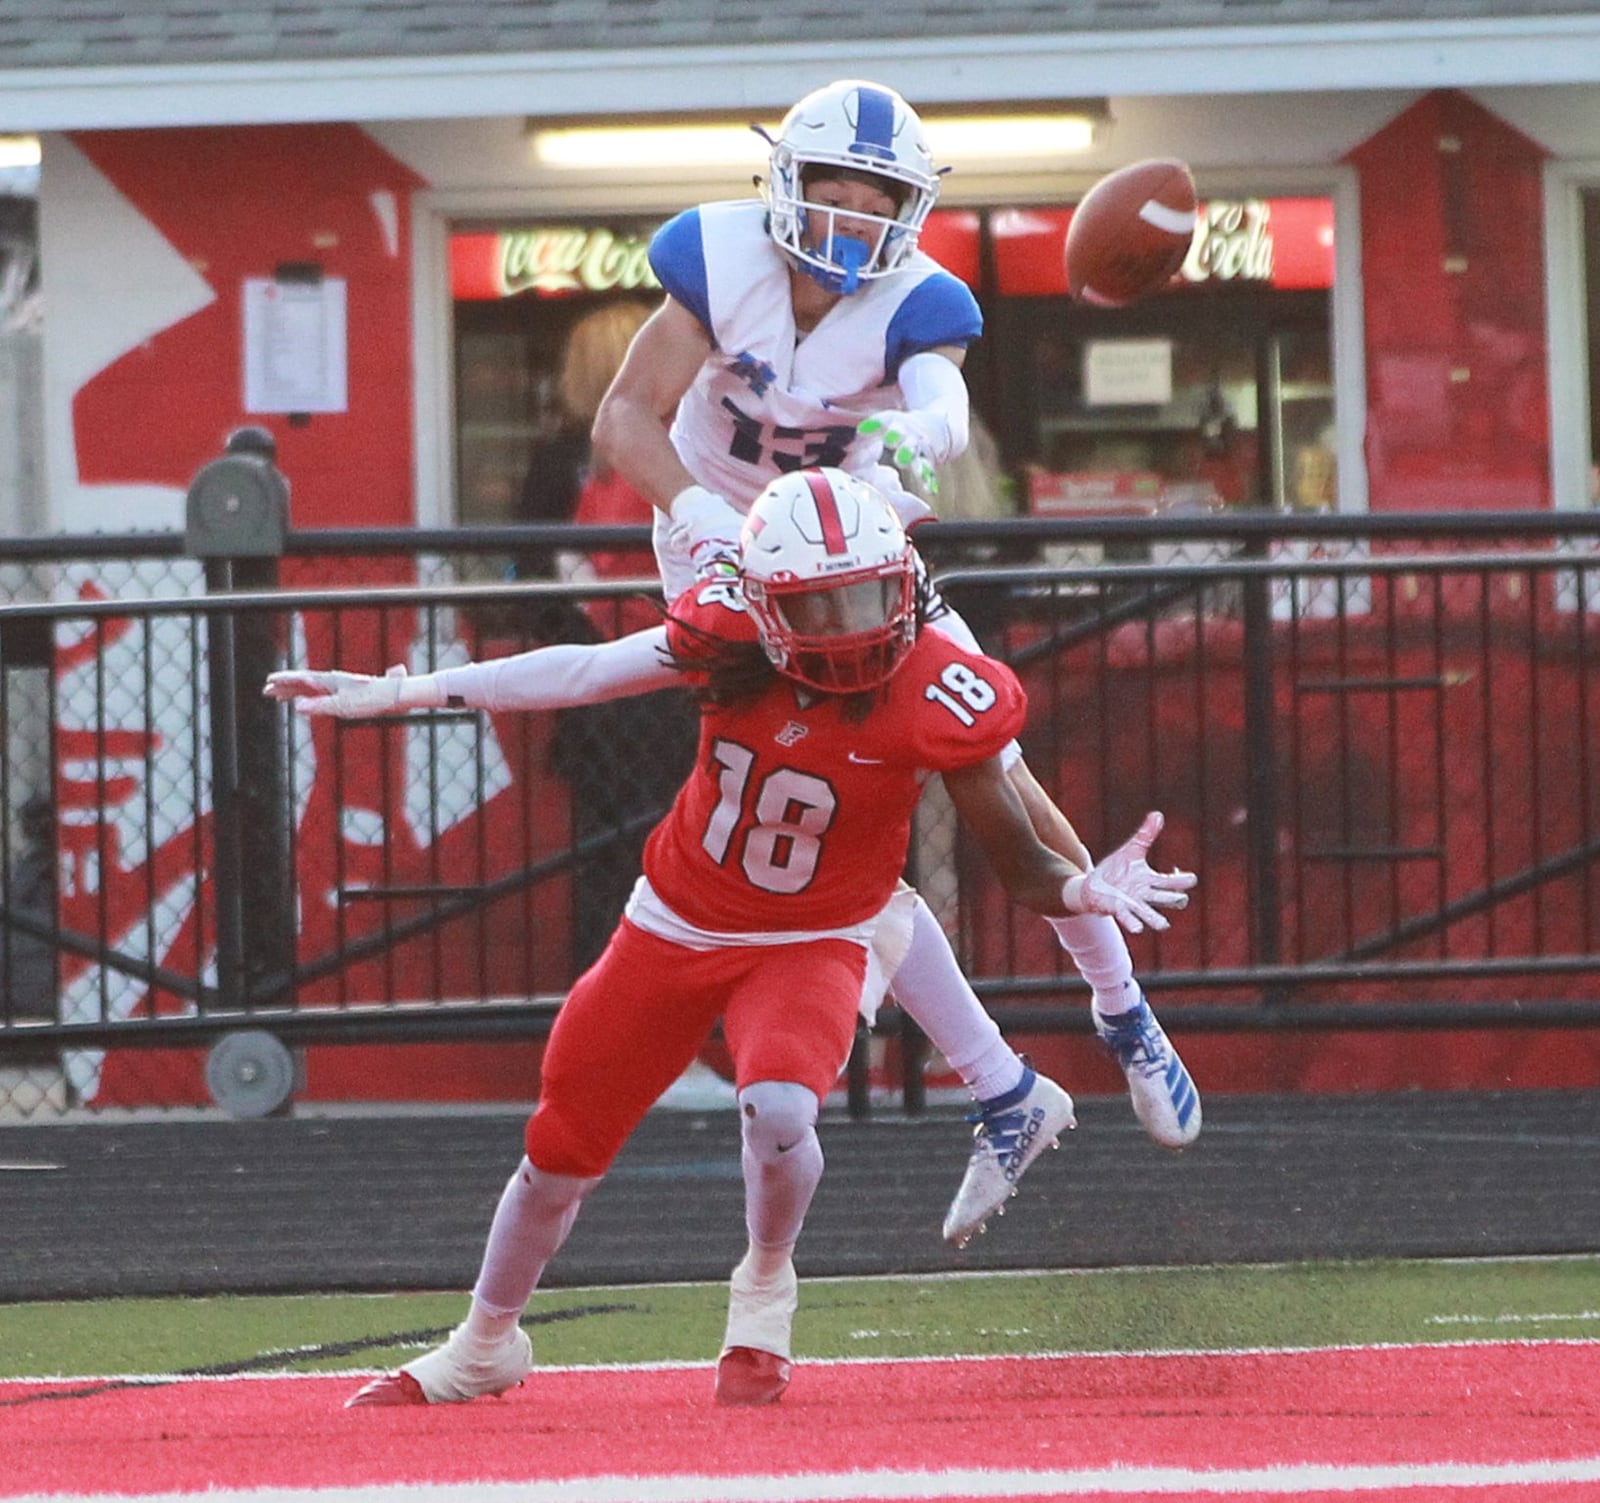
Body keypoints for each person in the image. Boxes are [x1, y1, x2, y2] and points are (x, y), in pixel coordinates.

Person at [267, 467, 1194, 1408]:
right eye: (818, 607)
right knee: (557, 1151)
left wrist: (1083, 881)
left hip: (818, 933)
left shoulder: (936, 686)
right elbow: (580, 673)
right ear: (766, 603)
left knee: (784, 1108)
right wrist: (401, 692)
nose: (850, 625)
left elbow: (1015, 852)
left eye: (867, 595)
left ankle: (763, 1285)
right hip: (675, 919)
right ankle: (485, 1342)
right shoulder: (726, 637)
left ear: (905, 580)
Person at [588, 77, 1202, 1241]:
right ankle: (1006, 1088)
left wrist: (911, 432)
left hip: (859, 562)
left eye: (879, 199)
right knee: (834, 837)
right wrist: (708, 524)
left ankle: (1117, 1016)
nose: (851, 221)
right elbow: (624, 418)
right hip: (723, 563)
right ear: (785, 184)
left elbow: (943, 408)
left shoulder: (923, 302)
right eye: (833, 192)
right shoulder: (717, 258)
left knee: (993, 759)